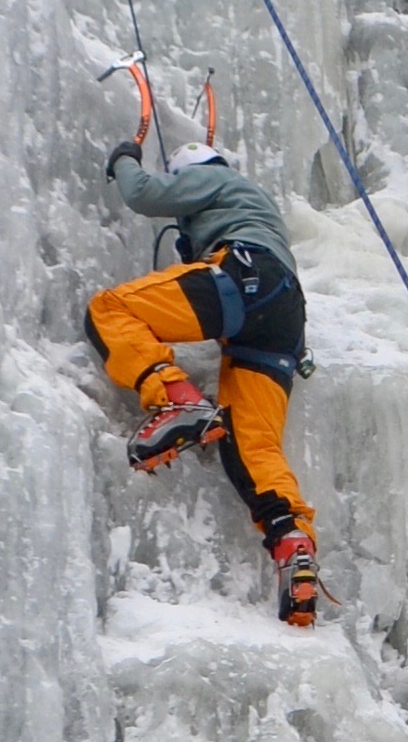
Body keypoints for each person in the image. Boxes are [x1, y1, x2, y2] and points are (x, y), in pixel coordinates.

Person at [85, 97, 318, 629]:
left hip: (244, 278)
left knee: (110, 309)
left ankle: (176, 400)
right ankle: (293, 545)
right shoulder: (256, 210)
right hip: (284, 319)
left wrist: (124, 157)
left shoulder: (218, 182)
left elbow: (145, 193)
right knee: (252, 443)